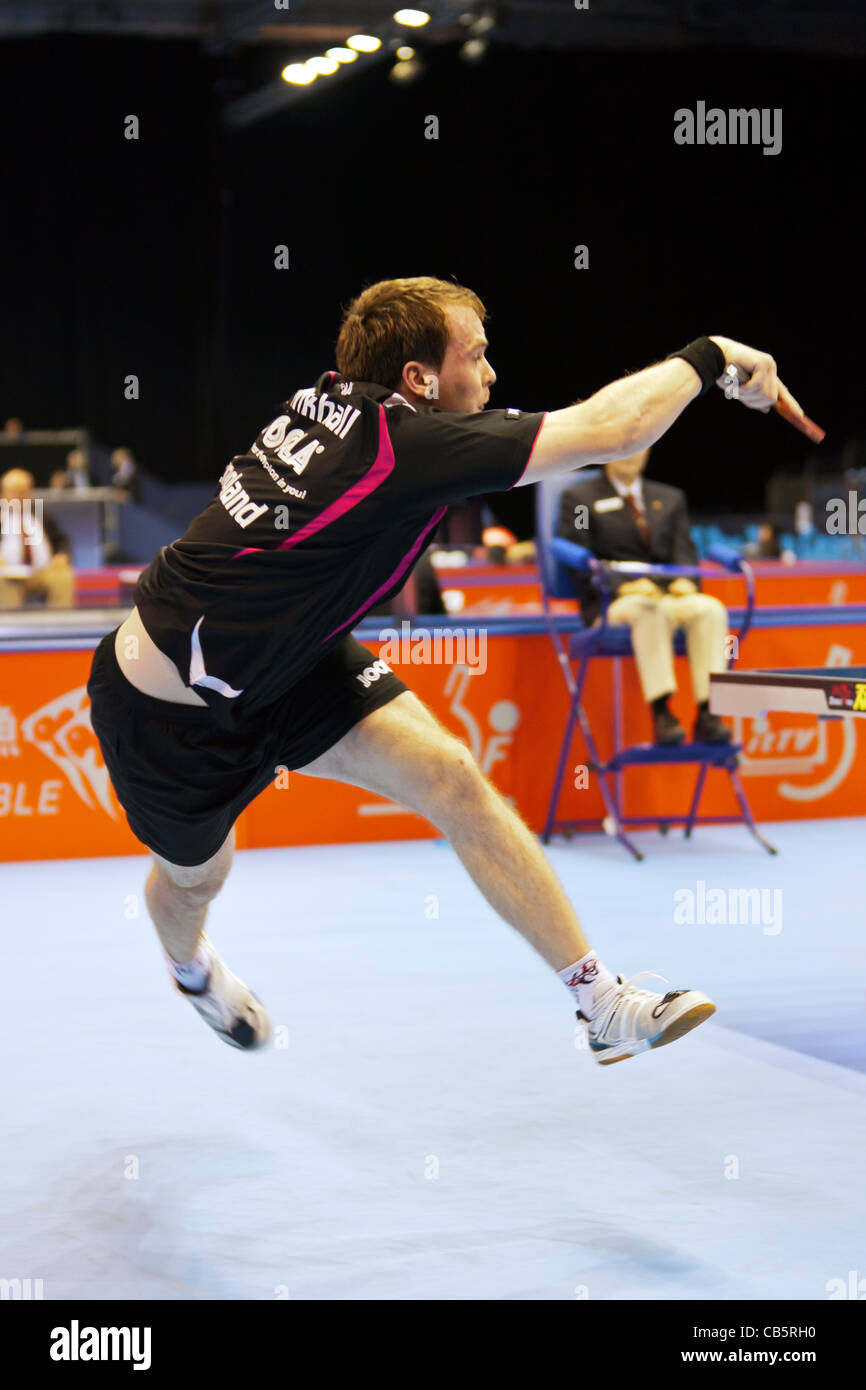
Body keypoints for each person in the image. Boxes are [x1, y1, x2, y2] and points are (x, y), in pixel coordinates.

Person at [86, 276, 802, 1066]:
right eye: (477, 354)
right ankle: (191, 973)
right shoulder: (403, 447)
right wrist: (716, 356)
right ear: (419, 380)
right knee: (194, 881)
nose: (491, 374)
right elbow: (615, 427)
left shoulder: (338, 405)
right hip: (166, 714)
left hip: (289, 664)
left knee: (453, 776)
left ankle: (601, 1004)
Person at [558, 447, 732, 745]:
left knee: (709, 609)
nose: (632, 452)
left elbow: (685, 553)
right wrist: (620, 586)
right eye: (623, 445)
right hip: (613, 601)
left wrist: (686, 581)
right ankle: (662, 713)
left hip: (669, 595)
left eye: (639, 445)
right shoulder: (581, 500)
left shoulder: (669, 498)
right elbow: (579, 558)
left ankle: (708, 713)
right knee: (649, 610)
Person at [0, 468, 74, 607]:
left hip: (42, 572)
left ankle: (61, 623)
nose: (21, 496)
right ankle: (11, 626)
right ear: (3, 494)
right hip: (8, 574)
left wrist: (62, 555)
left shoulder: (41, 515)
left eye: (24, 491)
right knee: (4, 581)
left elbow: (61, 539)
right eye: (16, 491)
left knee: (62, 576)